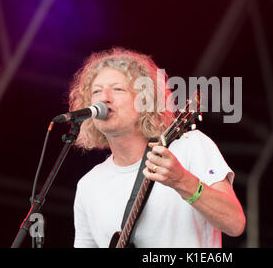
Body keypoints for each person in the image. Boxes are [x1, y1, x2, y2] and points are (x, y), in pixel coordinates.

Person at [69, 46, 246, 248]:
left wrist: (183, 181)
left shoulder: (189, 147)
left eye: (118, 89)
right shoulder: (89, 185)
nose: (104, 98)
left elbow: (235, 223)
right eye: (96, 91)